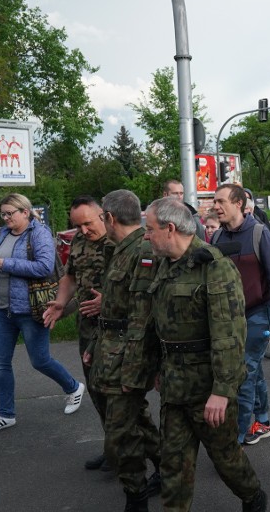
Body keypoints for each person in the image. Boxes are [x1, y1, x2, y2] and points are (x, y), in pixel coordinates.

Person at [143, 197, 267, 512]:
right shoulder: (163, 264)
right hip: (174, 385)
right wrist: (157, 366)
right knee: (172, 465)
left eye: (150, 229)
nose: (145, 236)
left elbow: (229, 336)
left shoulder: (214, 266)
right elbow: (160, 321)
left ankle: (253, 497)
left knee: (226, 459)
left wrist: (222, 392)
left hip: (208, 388)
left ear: (170, 229)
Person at [0, 193, 85, 435]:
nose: (5, 218)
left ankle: (73, 387)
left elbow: (44, 267)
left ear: (25, 212)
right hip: (3, 309)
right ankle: (6, 414)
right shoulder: (4, 234)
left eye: (9, 213)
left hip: (31, 309)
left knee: (40, 360)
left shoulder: (39, 234)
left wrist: (5, 264)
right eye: (2, 214)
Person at [84, 189, 161, 511]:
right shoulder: (122, 248)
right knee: (136, 421)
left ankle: (136, 495)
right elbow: (114, 308)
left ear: (111, 218)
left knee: (120, 430)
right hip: (112, 350)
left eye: (102, 216)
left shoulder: (143, 250)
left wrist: (136, 365)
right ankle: (170, 466)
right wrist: (94, 344)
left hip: (128, 356)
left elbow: (142, 313)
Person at [211, 183, 270, 445]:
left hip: (258, 314)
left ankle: (237, 437)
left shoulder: (258, 233)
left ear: (239, 204)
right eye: (215, 201)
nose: (215, 206)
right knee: (254, 371)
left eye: (221, 201)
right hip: (229, 318)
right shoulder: (217, 237)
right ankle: (263, 420)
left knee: (243, 372)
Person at [43, 196, 113, 470]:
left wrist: (107, 299)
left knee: (118, 393)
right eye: (77, 225)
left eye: (87, 223)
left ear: (103, 215)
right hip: (88, 326)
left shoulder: (120, 241)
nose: (83, 231)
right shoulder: (79, 242)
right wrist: (61, 303)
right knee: (95, 388)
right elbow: (69, 277)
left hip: (116, 328)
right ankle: (112, 448)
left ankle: (132, 453)